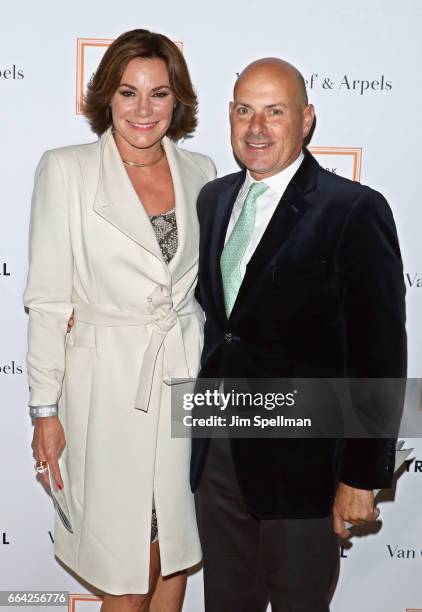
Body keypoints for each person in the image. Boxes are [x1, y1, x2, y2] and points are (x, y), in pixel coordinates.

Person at [191, 58, 406, 611]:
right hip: (218, 457)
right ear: (229, 117)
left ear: (306, 119)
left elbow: (378, 354)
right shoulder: (214, 200)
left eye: (275, 111)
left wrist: (362, 474)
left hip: (304, 467)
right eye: (244, 110)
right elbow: (221, 325)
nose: (256, 127)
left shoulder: (353, 210)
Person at [24, 29, 215, 612]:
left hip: (185, 381)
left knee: (175, 554)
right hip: (107, 391)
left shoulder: (202, 171)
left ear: (176, 101)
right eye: (128, 93)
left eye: (159, 94)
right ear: (106, 96)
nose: (143, 110)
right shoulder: (67, 171)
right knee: (130, 569)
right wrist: (44, 411)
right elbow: (50, 301)